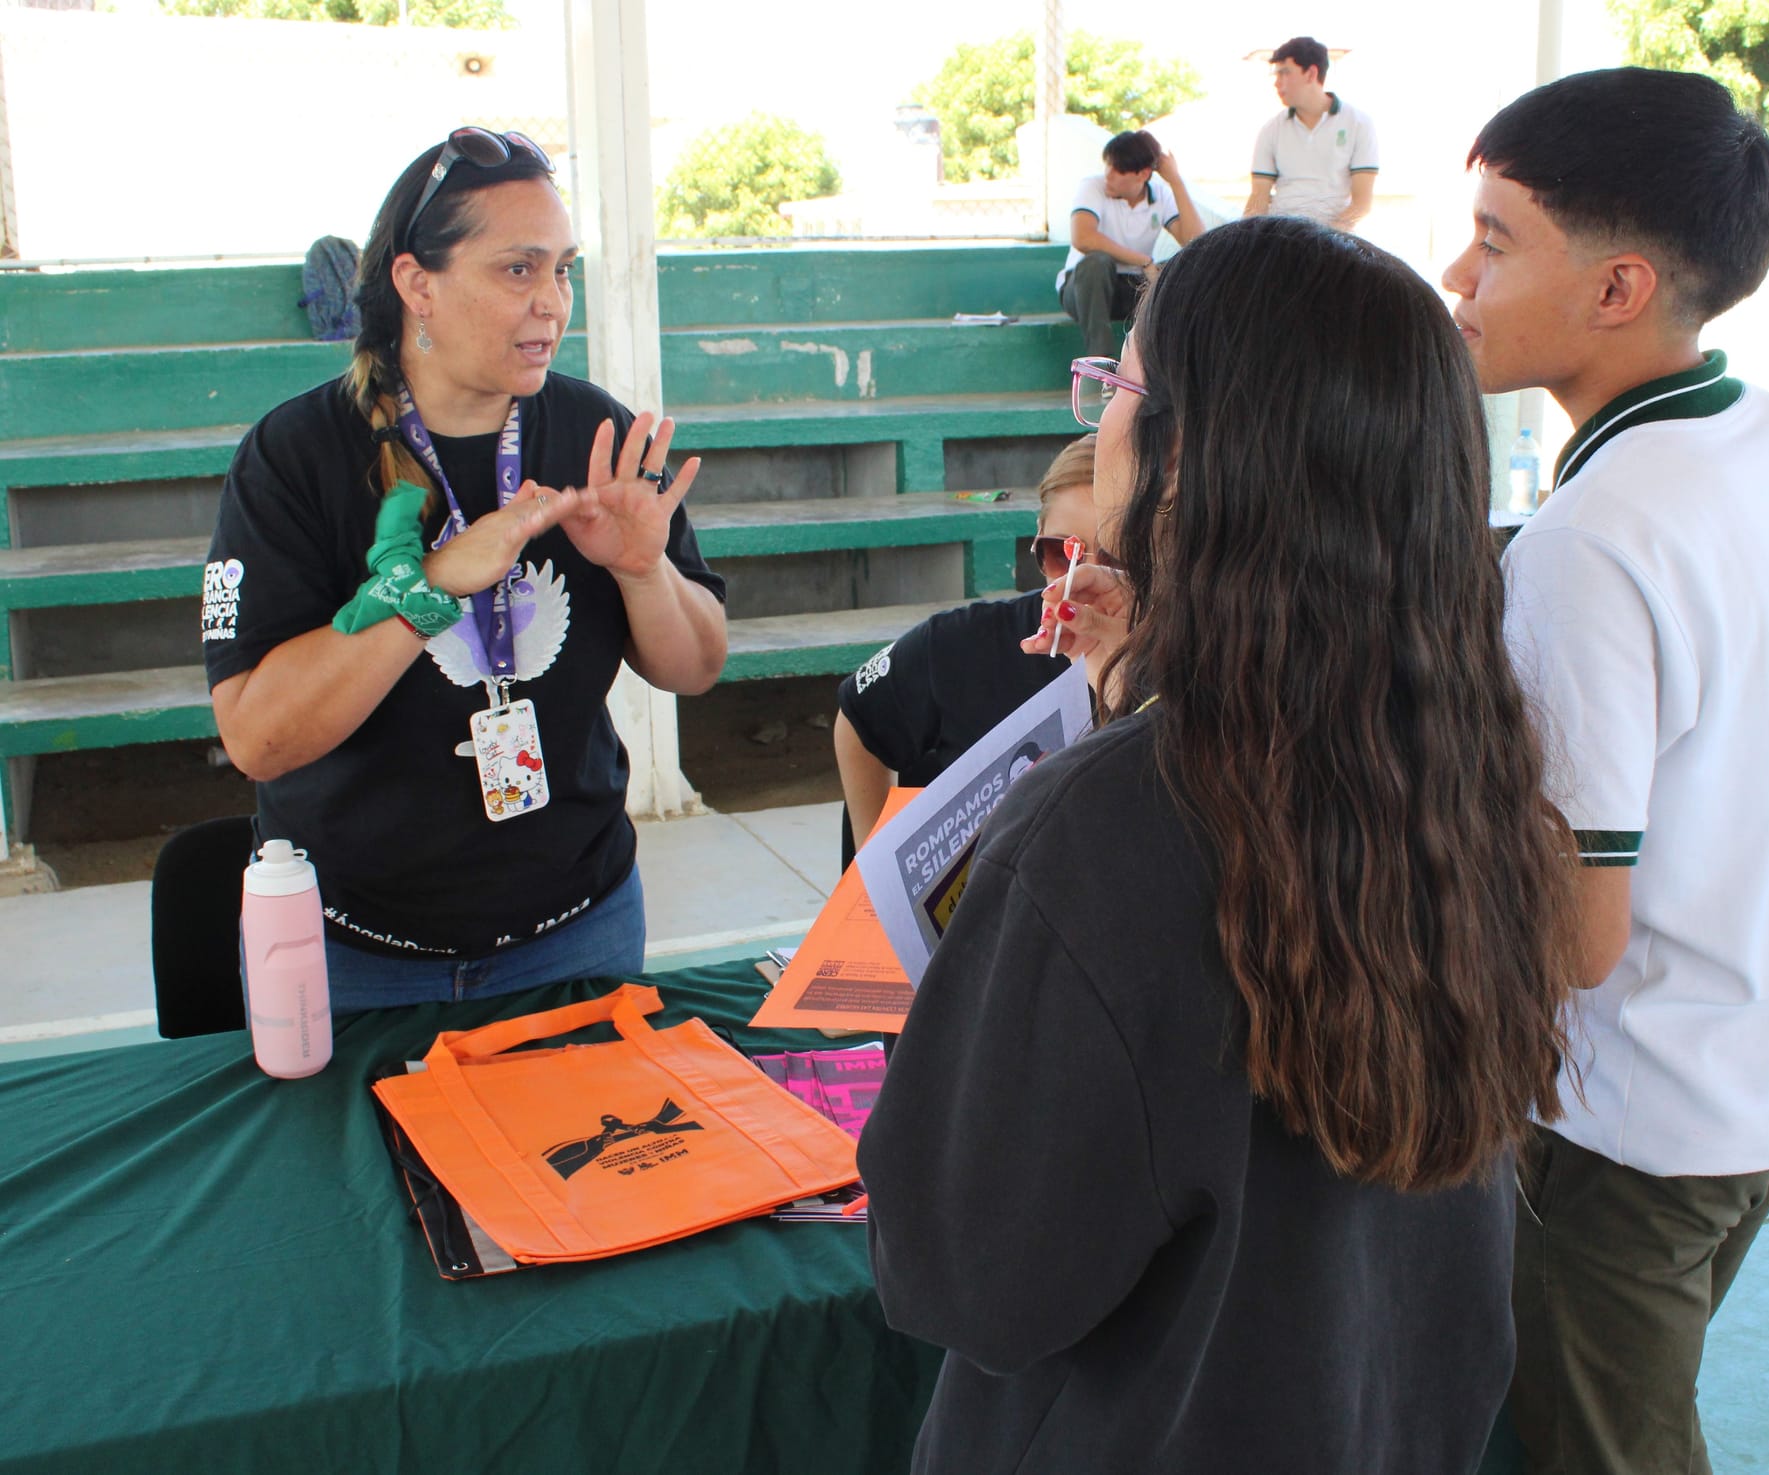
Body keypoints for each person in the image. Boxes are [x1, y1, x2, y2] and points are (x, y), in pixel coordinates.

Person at [859, 215, 1583, 1474]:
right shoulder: (1471, 764)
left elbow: (966, 1280)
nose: (1105, 413)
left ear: (1193, 453)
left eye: (1121, 383)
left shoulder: (1112, 821)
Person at [1440, 69, 1769, 1474]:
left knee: (1607, 1447)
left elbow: (1574, 936)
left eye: (1496, 238)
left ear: (1618, 285)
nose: (1457, 274)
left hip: (1641, 1118)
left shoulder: (1594, 540)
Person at [203, 127, 728, 1012]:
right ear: (418, 285)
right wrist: (431, 586)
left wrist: (644, 573)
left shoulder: (593, 431)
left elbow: (697, 666)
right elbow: (257, 736)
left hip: (580, 927)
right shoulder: (295, 454)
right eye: (517, 269)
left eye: (563, 269)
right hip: (354, 953)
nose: (553, 304)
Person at [833, 436, 1099, 865]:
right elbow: (860, 717)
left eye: (1116, 560)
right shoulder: (961, 647)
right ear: (1037, 538)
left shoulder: (1187, 670)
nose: (1081, 581)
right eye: (1062, 554)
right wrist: (872, 869)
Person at [1057, 131, 1204, 360]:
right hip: (1084, 289)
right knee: (1097, 262)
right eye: (1108, 166)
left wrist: (1176, 181)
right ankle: (1102, 364)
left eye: (1118, 170)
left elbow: (1197, 243)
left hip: (1133, 288)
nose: (1109, 175)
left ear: (1143, 174)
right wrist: (1142, 260)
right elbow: (1083, 238)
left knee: (1182, 269)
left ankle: (1169, 365)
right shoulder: (1092, 187)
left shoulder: (1160, 195)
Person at [1244, 36, 1379, 231]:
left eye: (1285, 73)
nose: (1277, 83)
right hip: (1281, 237)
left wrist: (1324, 239)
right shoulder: (1271, 130)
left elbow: (1362, 204)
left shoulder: (1358, 123)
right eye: (1276, 75)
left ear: (1311, 73)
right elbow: (1258, 199)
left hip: (1335, 242)